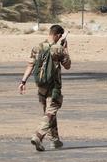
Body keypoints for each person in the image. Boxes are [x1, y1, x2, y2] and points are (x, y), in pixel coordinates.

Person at [19, 24, 72, 152]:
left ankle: (54, 140)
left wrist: (23, 81)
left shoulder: (37, 47)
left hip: (41, 86)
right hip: (54, 87)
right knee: (51, 112)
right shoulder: (59, 49)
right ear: (58, 35)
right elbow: (67, 65)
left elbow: (30, 65)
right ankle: (38, 136)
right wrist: (65, 49)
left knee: (49, 114)